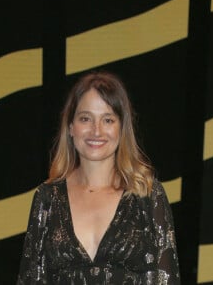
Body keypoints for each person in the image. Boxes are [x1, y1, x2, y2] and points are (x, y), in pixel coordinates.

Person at [17, 71, 180, 284]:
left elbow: (167, 279)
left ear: (121, 129)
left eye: (108, 120)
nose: (96, 130)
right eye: (86, 118)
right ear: (71, 127)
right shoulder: (47, 198)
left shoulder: (148, 195)